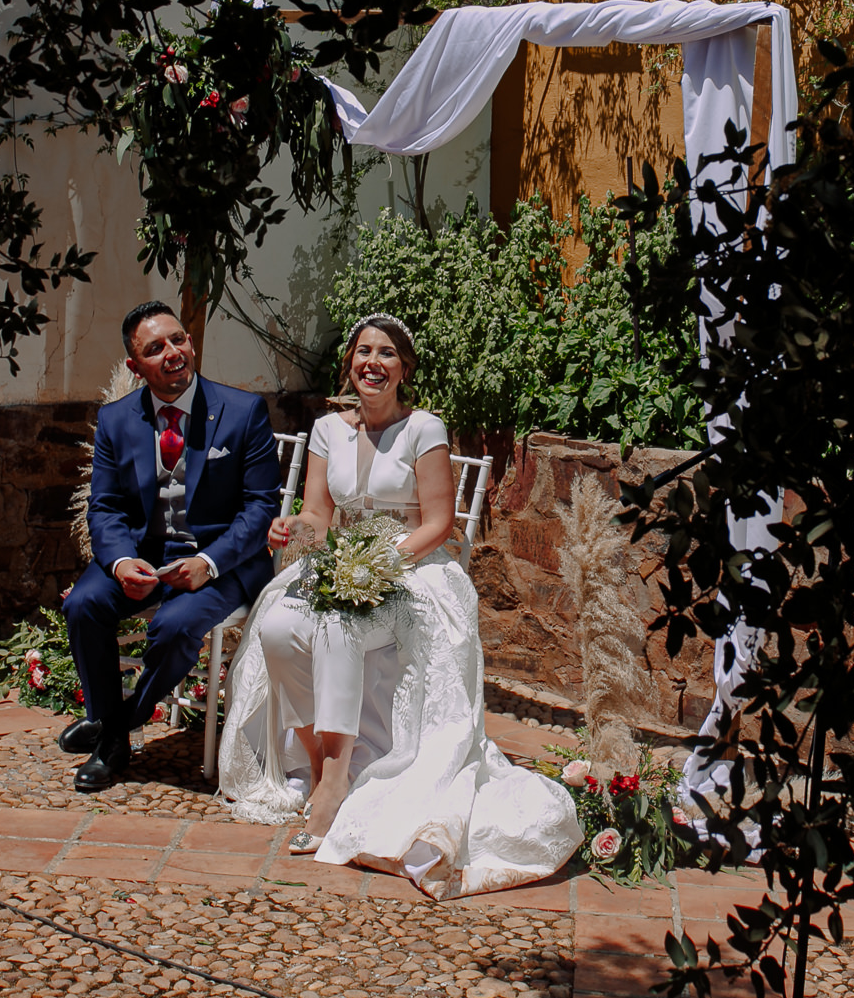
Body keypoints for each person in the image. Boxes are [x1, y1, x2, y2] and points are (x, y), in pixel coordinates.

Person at [214, 314, 582, 899]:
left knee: (336, 625)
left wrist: (381, 565)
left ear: (403, 369)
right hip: (341, 564)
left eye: (387, 354)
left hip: (411, 569)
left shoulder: (424, 428)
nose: (373, 363)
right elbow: (317, 518)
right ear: (350, 365)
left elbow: (439, 524)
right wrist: (292, 532)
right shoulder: (328, 430)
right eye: (364, 352)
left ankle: (333, 785)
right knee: (280, 627)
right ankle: (315, 759)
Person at [57, 301, 283, 792]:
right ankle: (107, 724)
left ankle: (113, 730)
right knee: (83, 604)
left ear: (191, 343)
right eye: (155, 348)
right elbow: (106, 507)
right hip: (143, 551)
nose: (173, 353)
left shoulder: (243, 412)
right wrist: (118, 562)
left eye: (178, 340)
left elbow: (260, 508)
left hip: (223, 557)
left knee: (174, 626)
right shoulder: (117, 420)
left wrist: (207, 562)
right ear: (135, 367)